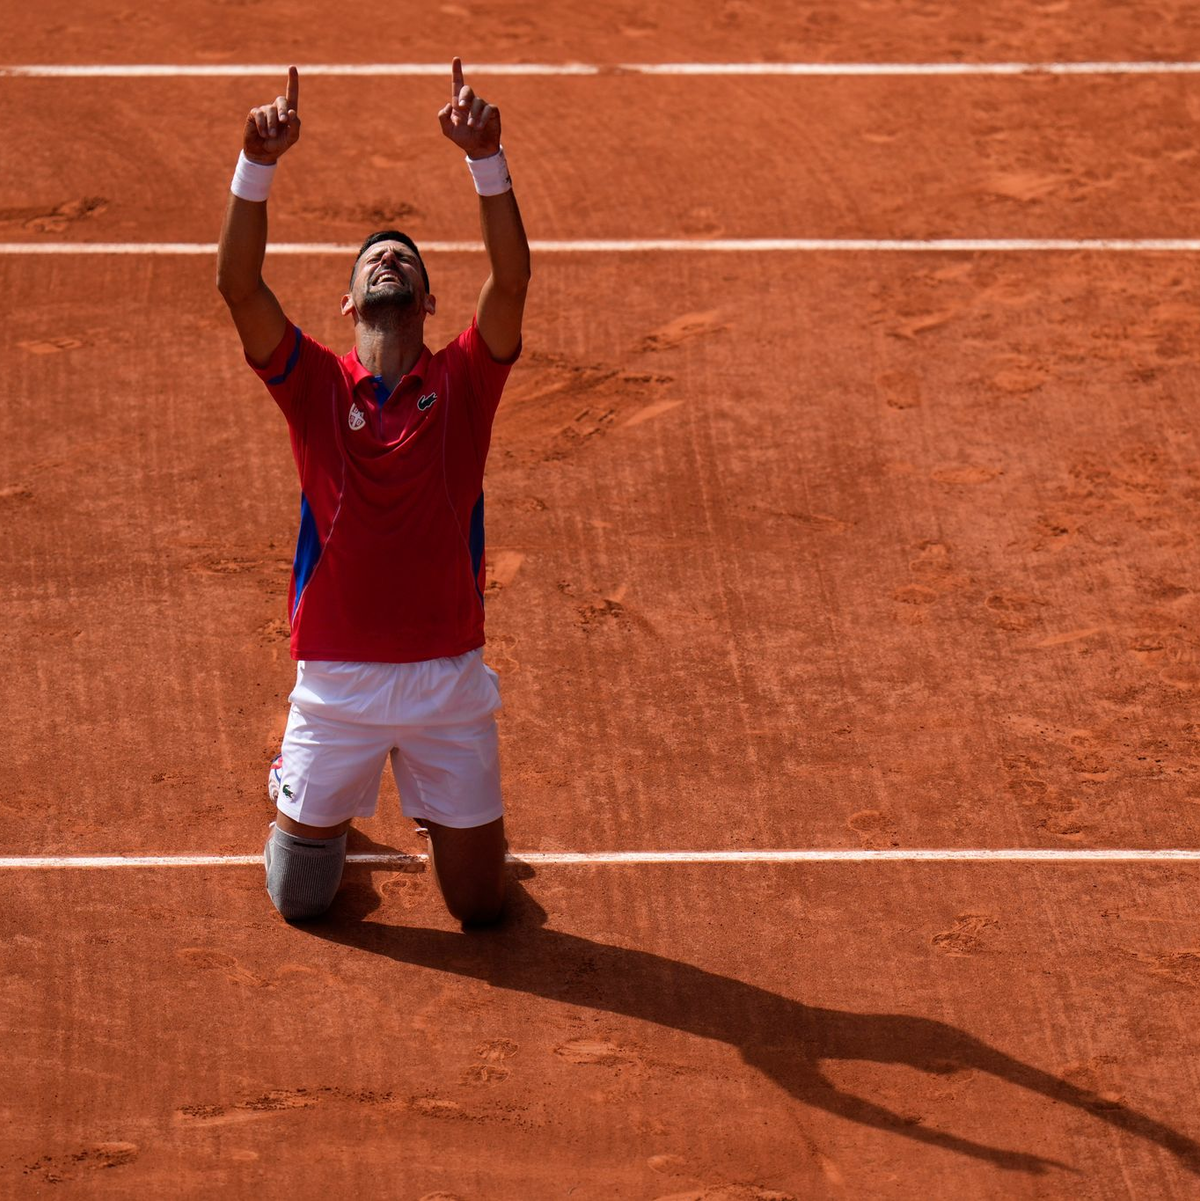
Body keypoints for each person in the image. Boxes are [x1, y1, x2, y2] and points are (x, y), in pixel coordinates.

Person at [216, 60, 530, 925]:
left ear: (428, 301)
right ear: (348, 303)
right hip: (337, 684)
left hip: (446, 680)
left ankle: (446, 826)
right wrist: (256, 165)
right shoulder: (314, 383)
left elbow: (510, 284)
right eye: (371, 259)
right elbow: (239, 287)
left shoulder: (465, 380)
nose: (386, 258)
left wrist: (486, 162)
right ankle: (307, 797)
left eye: (403, 258)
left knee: (480, 908)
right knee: (300, 899)